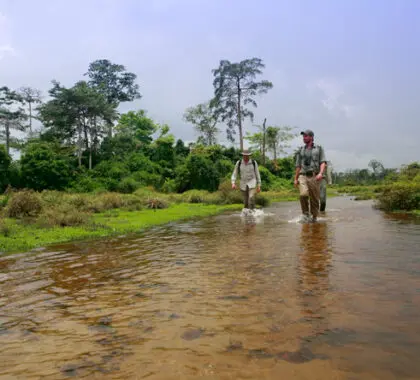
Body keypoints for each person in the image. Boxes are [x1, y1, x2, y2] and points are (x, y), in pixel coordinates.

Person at [294, 129, 327, 222]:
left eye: (306, 136)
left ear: (311, 137)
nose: (304, 138)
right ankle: (305, 215)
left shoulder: (319, 148)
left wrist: (320, 173)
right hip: (303, 175)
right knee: (303, 194)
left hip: (314, 176)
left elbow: (323, 162)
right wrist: (295, 179)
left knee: (314, 199)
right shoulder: (301, 150)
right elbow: (298, 166)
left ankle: (314, 217)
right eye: (303, 136)